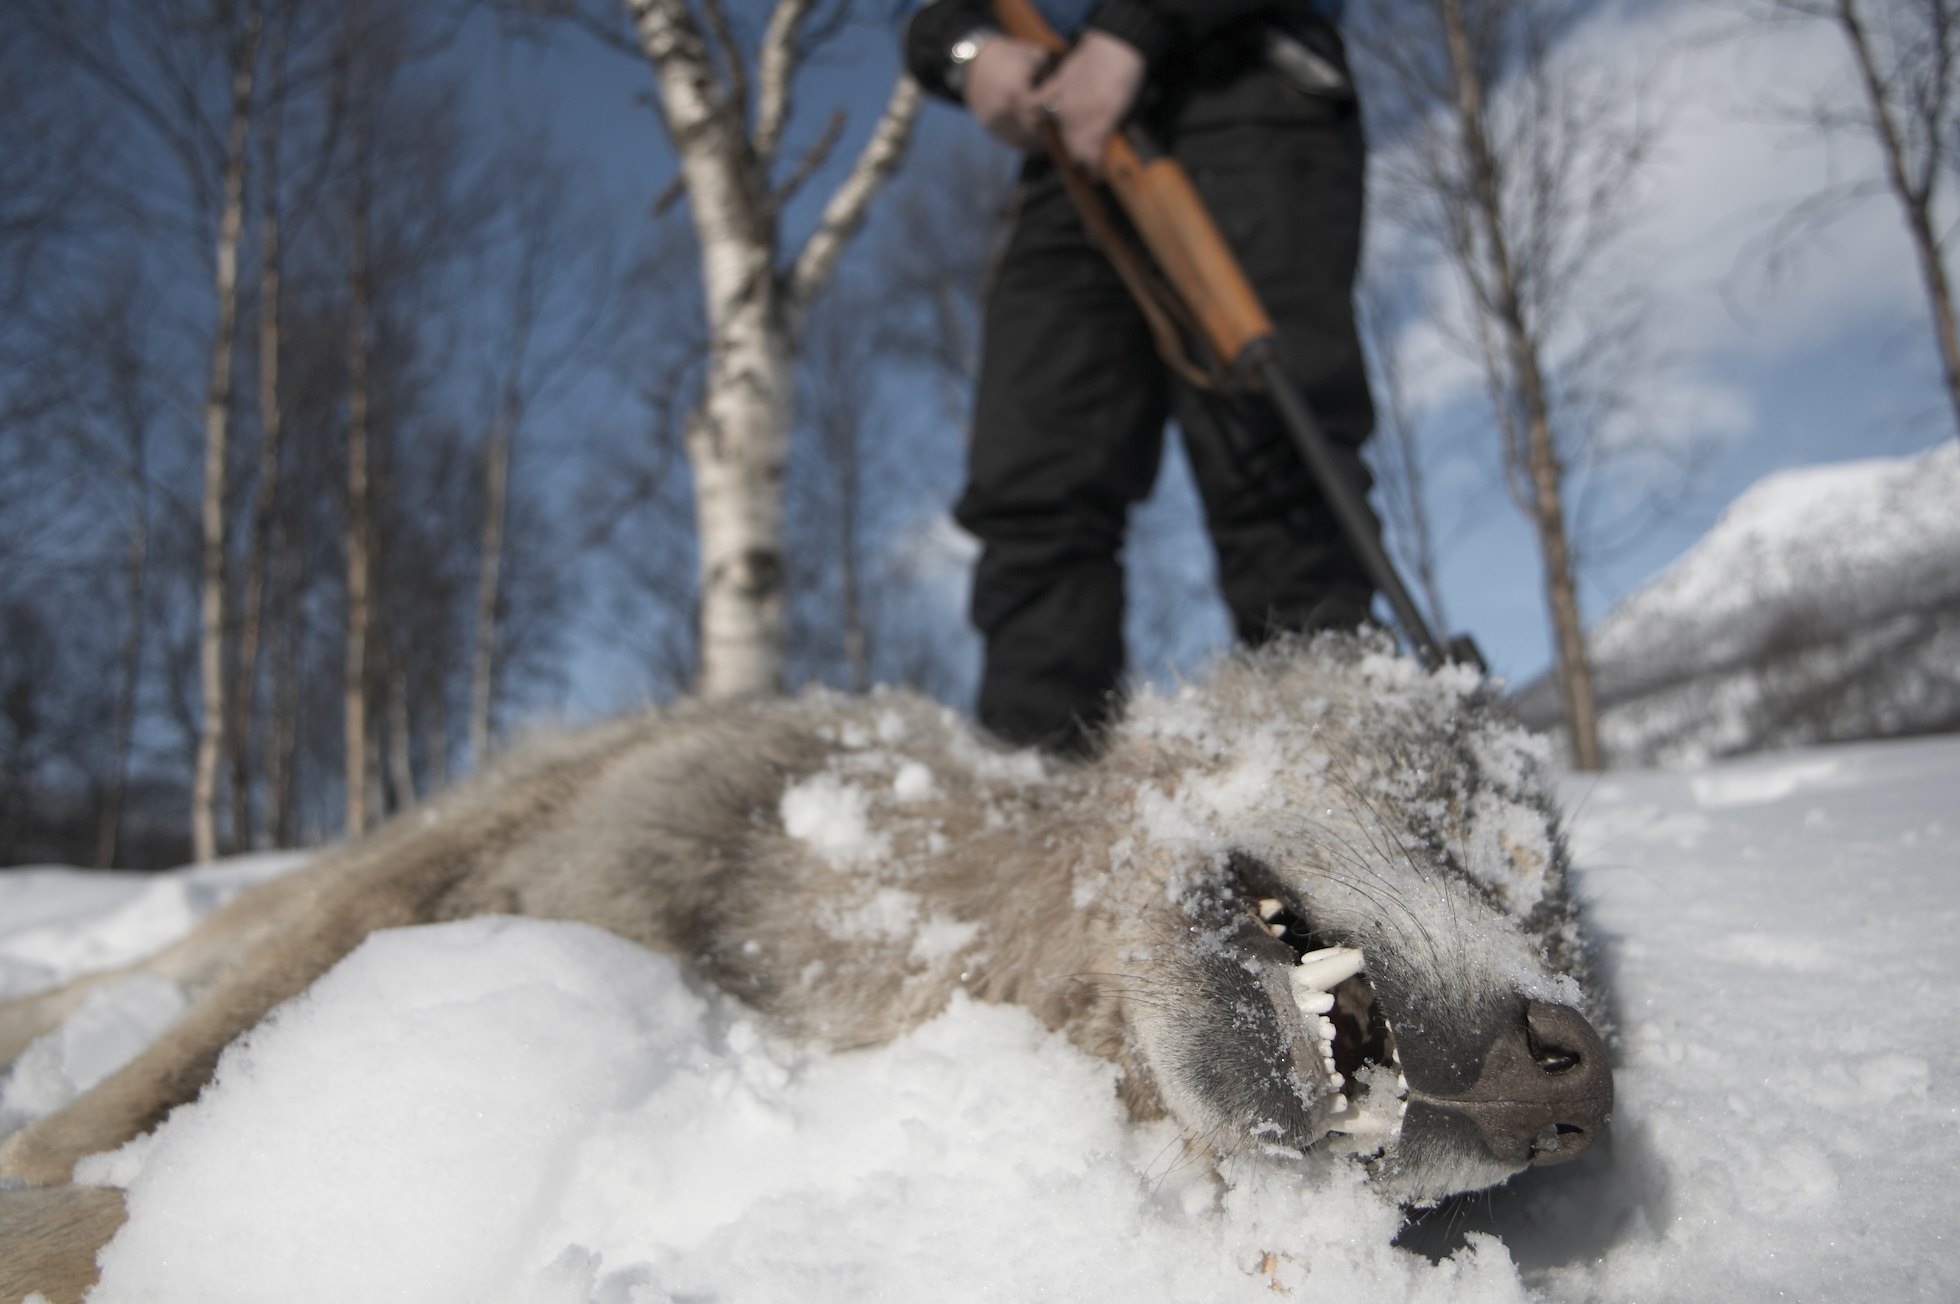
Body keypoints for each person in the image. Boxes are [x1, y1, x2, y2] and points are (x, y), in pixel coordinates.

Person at [901, 0, 1379, 757]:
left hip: (1242, 74)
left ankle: (1346, 774)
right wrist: (965, 50)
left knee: (1275, 454)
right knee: (1035, 488)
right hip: (1065, 149)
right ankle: (1041, 800)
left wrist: (1134, 25)